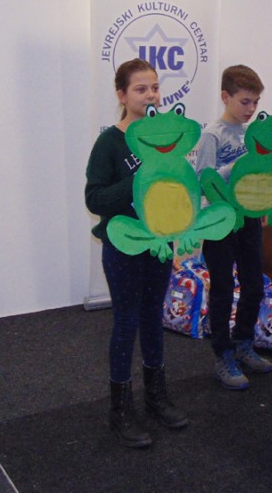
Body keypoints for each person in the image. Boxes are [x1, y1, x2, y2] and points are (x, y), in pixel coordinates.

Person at [85, 58, 188, 448]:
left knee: (152, 318)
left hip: (159, 244)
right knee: (127, 322)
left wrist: (179, 232)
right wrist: (137, 180)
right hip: (123, 246)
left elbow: (176, 193)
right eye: (141, 89)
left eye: (155, 88)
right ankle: (121, 409)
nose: (150, 95)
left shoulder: (165, 137)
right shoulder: (109, 143)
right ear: (122, 95)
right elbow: (95, 199)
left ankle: (156, 396)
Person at [192, 65, 272, 390]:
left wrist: (263, 202)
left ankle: (243, 343)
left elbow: (258, 175)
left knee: (254, 284)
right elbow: (204, 181)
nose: (251, 109)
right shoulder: (212, 134)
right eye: (245, 102)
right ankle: (223, 354)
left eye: (255, 102)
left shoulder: (252, 134)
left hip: (249, 219)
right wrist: (235, 167)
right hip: (220, 222)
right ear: (225, 97)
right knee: (223, 289)